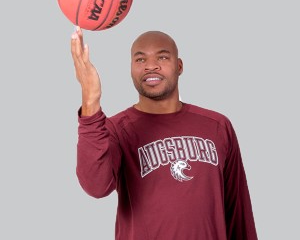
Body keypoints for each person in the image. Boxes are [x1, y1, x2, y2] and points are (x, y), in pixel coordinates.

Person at [71, 26, 258, 240]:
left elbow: (238, 212)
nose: (151, 66)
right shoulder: (117, 129)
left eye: (162, 57)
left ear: (179, 66)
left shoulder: (217, 126)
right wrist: (90, 99)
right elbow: (95, 186)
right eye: (140, 60)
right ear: (131, 69)